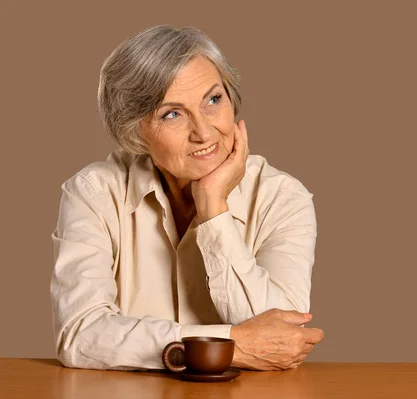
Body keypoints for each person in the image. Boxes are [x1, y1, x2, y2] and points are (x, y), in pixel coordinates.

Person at [49, 25, 324, 371]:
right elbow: (80, 334)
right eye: (172, 114)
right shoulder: (93, 193)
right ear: (134, 131)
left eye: (213, 100)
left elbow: (280, 339)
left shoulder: (283, 199)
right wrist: (232, 344)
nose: (204, 133)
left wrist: (213, 209)